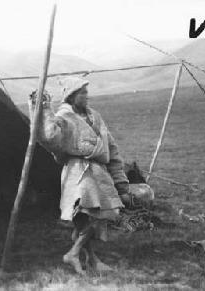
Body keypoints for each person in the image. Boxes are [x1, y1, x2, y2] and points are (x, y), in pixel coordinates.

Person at [28, 77, 131, 275]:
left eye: (86, 92)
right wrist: (42, 107)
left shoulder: (95, 116)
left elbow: (111, 147)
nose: (87, 96)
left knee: (89, 219)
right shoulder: (63, 117)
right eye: (82, 92)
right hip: (78, 171)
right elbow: (48, 136)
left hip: (98, 171)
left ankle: (91, 259)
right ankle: (74, 254)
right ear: (72, 96)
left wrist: (120, 182)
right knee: (90, 215)